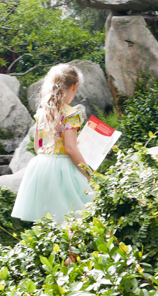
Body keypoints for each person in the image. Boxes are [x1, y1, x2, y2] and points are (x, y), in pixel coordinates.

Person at [11, 64, 95, 222]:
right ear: (74, 86)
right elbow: (70, 149)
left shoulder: (43, 113)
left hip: (40, 168)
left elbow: (38, 147)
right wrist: (91, 176)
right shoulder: (71, 114)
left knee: (48, 220)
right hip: (62, 170)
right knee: (77, 216)